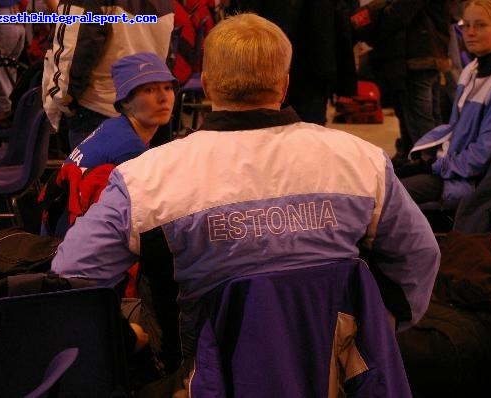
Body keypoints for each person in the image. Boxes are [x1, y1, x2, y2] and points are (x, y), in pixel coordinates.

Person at [51, 12, 440, 391]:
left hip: (199, 381)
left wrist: (125, 338)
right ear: (284, 85)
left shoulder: (146, 179)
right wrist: (379, 325)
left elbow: (71, 280)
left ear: (208, 85)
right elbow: (420, 255)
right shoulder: (362, 160)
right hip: (339, 375)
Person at [398, 0, 491, 210]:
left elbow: (479, 157)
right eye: (466, 25)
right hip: (454, 170)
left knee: (388, 194)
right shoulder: (471, 69)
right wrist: (428, 158)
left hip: (470, 183)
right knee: (386, 176)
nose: (470, 32)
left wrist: (437, 166)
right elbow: (454, 129)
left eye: (480, 25)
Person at [40, 52, 177, 238]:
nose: (163, 98)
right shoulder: (129, 147)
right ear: (126, 102)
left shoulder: (115, 126)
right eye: (149, 90)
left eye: (168, 87)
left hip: (62, 235)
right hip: (70, 249)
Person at [41, 0, 174, 150]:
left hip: (98, 111)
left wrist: (65, 103)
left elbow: (73, 57)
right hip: (147, 111)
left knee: (92, 173)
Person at [350, 0, 451, 166]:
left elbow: (397, 15)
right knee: (428, 114)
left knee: (419, 115)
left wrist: (375, 19)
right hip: (428, 53)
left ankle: (426, 163)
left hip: (418, 56)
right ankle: (426, 160)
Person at [226, 0, 358, 125]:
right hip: (313, 73)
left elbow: (242, 22)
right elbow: (342, 27)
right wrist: (346, 87)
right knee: (309, 135)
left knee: (264, 134)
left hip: (267, 69)